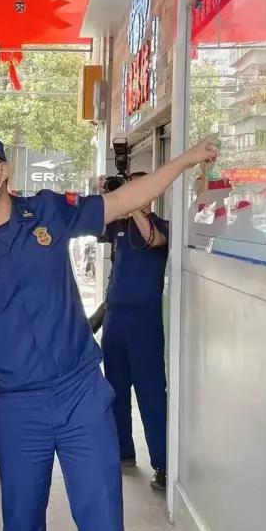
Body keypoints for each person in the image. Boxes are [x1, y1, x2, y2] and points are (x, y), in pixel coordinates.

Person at [0, 130, 217, 531]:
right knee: (22, 529)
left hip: (80, 395)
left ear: (2, 171)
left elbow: (124, 200)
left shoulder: (47, 211)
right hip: (16, 406)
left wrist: (186, 160)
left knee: (102, 522)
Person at [98, 171, 170, 491]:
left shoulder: (163, 226)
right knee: (114, 390)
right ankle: (122, 452)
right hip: (115, 319)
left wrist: (135, 205)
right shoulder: (119, 227)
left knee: (151, 392)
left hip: (144, 322)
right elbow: (95, 222)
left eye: (141, 189)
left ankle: (163, 463)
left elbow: (154, 240)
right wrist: (106, 195)